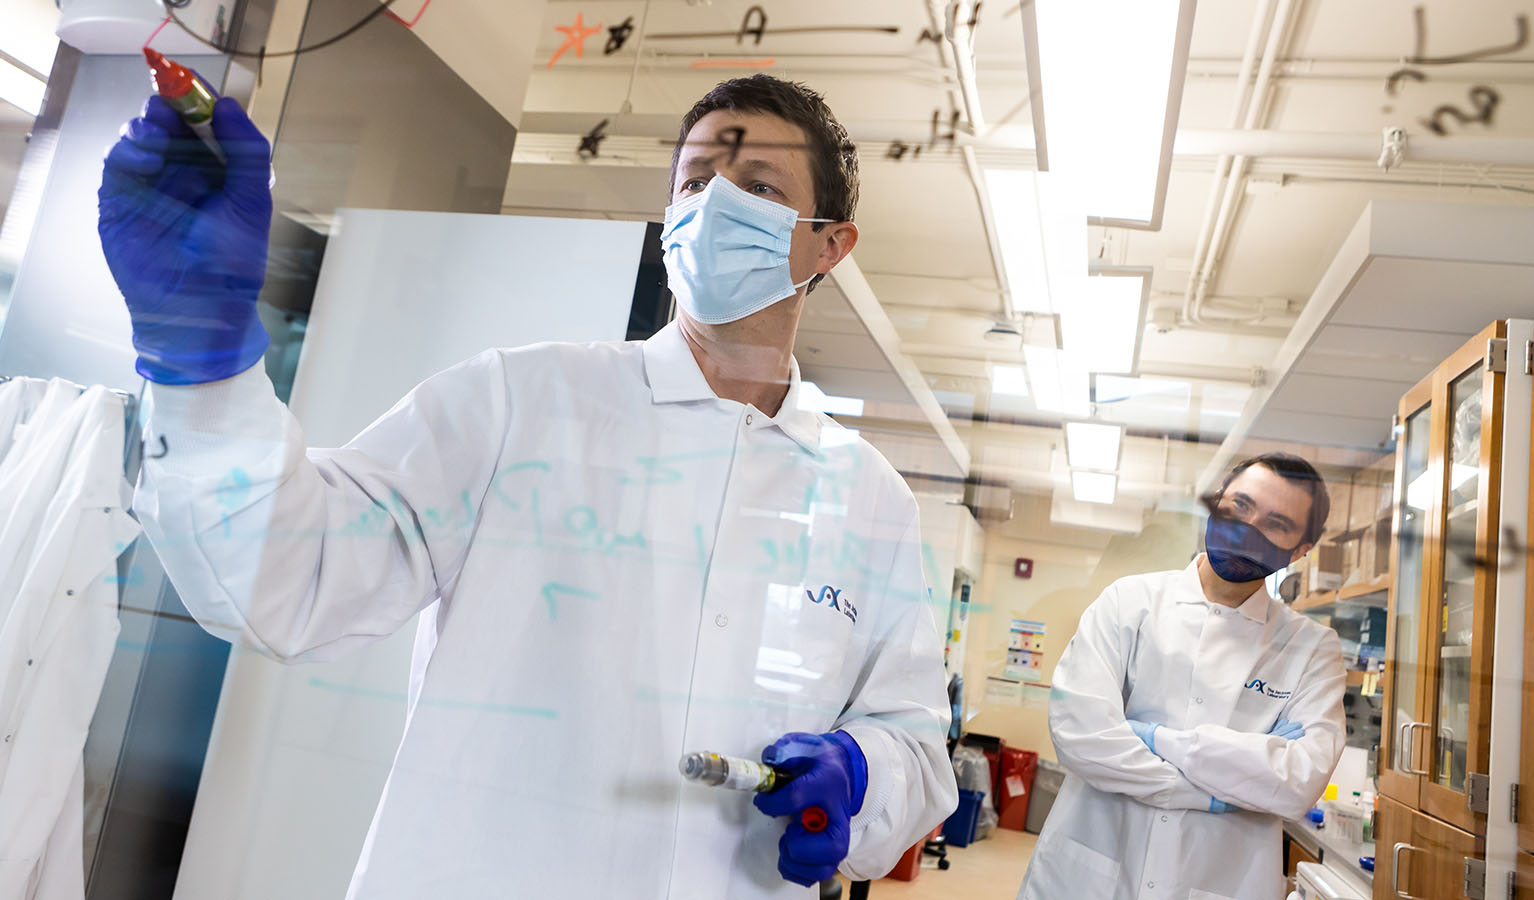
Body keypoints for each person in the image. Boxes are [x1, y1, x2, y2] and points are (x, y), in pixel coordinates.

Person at [97, 74, 957, 898]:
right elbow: (290, 576)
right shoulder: (519, 401)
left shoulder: (870, 500)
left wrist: (862, 775)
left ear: (830, 243)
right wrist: (197, 362)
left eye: (759, 188)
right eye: (696, 181)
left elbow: (914, 747)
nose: (715, 206)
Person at [1017, 453, 1347, 900]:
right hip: (1088, 872)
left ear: (1301, 550)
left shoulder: (1311, 649)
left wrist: (1150, 737)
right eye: (1240, 506)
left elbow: (1298, 783)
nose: (1248, 527)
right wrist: (1223, 789)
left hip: (1219, 882)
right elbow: (1082, 736)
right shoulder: (1128, 602)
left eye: (1276, 524)